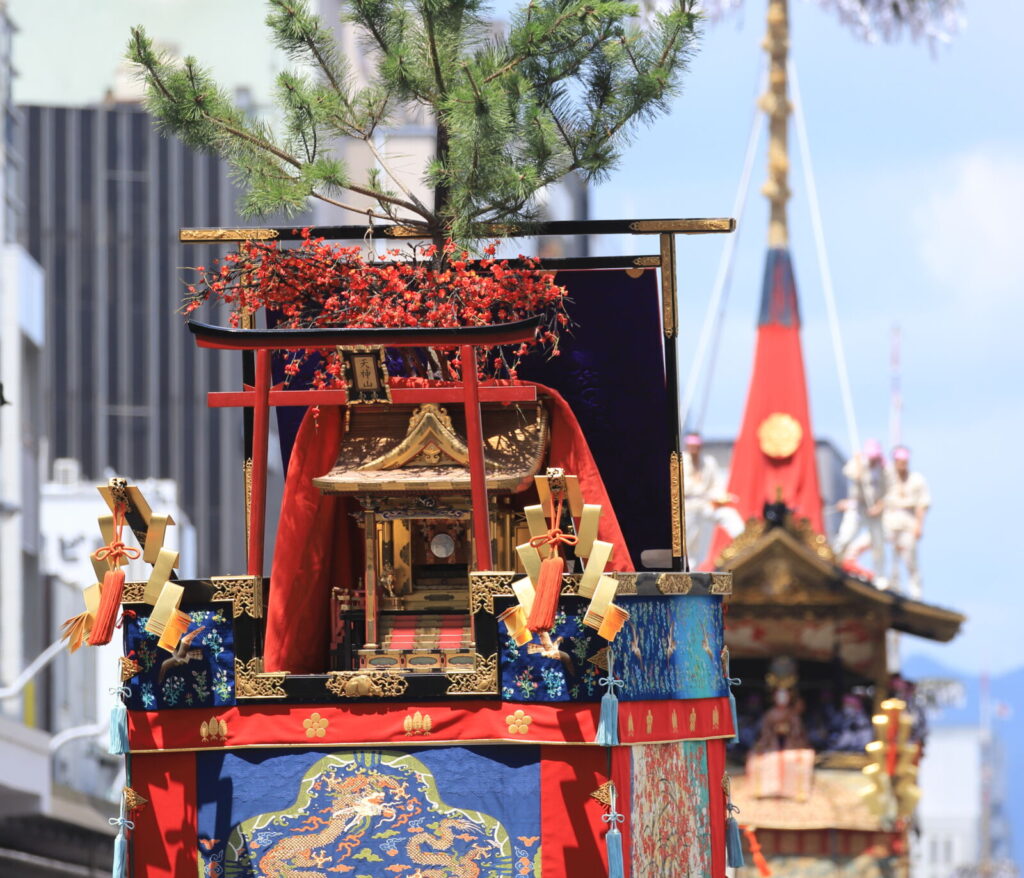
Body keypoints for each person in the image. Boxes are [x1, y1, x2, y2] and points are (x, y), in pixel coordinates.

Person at [682, 433, 745, 564]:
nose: (694, 449)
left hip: (706, 504)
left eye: (696, 446)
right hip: (688, 507)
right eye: (691, 446)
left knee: (728, 514)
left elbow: (716, 485)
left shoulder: (708, 462)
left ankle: (744, 541)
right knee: (689, 543)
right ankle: (688, 569)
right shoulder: (680, 462)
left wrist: (722, 497)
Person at [834, 439, 887, 585]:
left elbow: (886, 492)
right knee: (845, 536)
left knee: (877, 541)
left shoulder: (882, 470)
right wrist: (858, 462)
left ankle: (880, 576)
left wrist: (879, 506)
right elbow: (855, 476)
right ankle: (834, 561)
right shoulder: (858, 463)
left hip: (874, 510)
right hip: (857, 507)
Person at [883, 446, 930, 599]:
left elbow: (922, 505)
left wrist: (919, 526)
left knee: (910, 559)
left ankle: (916, 595)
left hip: (908, 523)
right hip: (890, 521)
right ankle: (893, 590)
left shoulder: (917, 479)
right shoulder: (887, 478)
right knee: (892, 558)